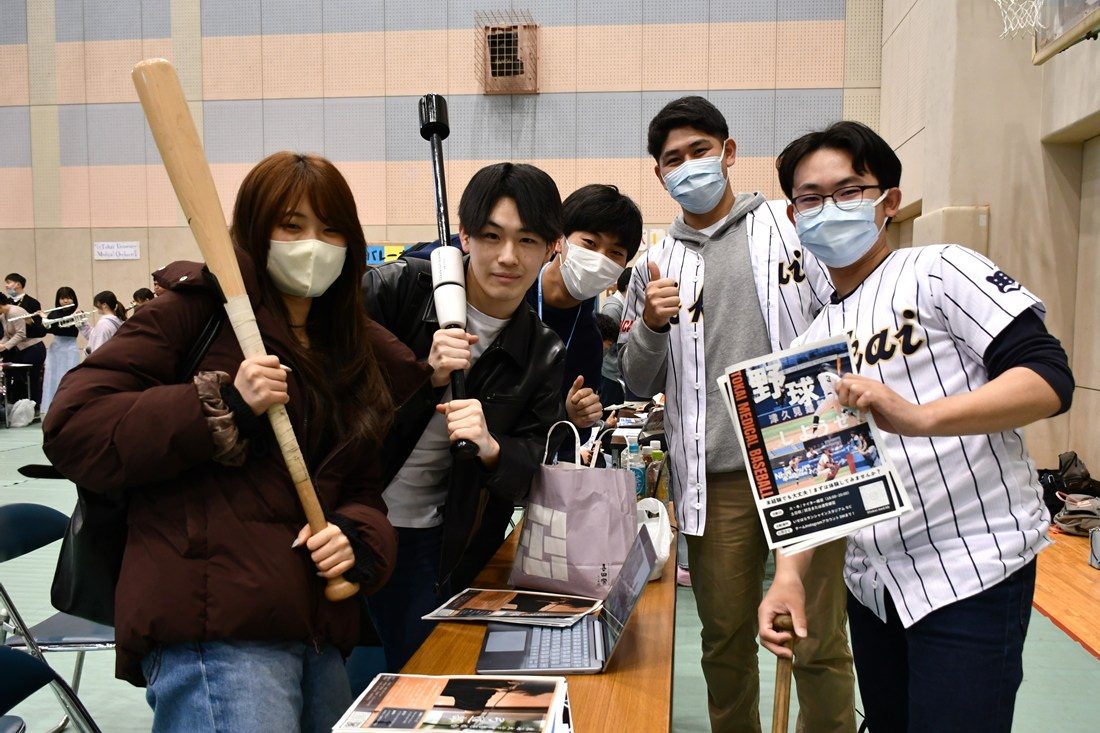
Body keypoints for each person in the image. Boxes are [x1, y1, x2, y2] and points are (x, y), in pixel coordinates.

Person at [43, 151, 430, 731]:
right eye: (291, 226)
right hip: (214, 632)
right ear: (253, 232)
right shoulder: (192, 315)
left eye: (330, 230)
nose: (313, 245)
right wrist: (222, 406)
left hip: (316, 630)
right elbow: (74, 424)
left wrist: (356, 540)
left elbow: (361, 488)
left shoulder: (351, 347)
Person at [758, 121, 1073, 733]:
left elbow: (1048, 377)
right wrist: (789, 577)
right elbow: (811, 485)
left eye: (849, 191)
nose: (829, 209)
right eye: (810, 199)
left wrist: (921, 416)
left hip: (972, 566)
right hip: (874, 586)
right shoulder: (806, 345)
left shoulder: (939, 270)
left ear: (889, 201)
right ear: (794, 217)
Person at [618, 96, 855, 732]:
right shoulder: (653, 266)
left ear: (727, 152)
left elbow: (844, 315)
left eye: (699, 151)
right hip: (716, 478)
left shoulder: (792, 228)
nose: (688, 166)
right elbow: (636, 380)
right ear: (659, 175)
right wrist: (651, 324)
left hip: (807, 461)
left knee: (817, 636)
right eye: (673, 159)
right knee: (723, 640)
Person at [361, 162, 568, 671]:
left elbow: (530, 469)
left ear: (551, 248)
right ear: (465, 236)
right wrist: (422, 377)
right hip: (348, 519)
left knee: (417, 676)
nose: (508, 256)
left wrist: (493, 449)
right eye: (492, 236)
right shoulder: (394, 291)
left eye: (527, 240)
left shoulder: (542, 351)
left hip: (435, 543)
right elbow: (329, 399)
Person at [525, 184, 643, 433]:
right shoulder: (514, 293)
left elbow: (573, 436)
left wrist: (575, 416)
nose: (600, 259)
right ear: (559, 239)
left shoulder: (590, 342)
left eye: (615, 252)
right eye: (590, 243)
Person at [40, 287, 85, 415]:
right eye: (62, 298)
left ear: (73, 299)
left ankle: (69, 407)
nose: (65, 301)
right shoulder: (54, 313)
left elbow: (72, 329)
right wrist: (42, 320)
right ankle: (51, 407)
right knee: (52, 377)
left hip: (70, 348)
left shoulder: (77, 313)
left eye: (68, 298)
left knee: (68, 377)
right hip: (55, 348)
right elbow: (46, 330)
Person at [0, 292, 47, 408]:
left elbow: (21, 334)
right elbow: (7, 335)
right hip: (22, 349)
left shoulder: (15, 311)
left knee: (32, 380)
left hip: (34, 348)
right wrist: (1, 343)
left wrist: (4, 346)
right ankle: (21, 407)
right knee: (19, 380)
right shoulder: (2, 315)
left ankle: (35, 408)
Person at [598, 268, 632, 406]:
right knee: (610, 412)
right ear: (628, 286)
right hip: (611, 375)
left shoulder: (627, 306)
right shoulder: (613, 309)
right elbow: (606, 345)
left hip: (620, 373)